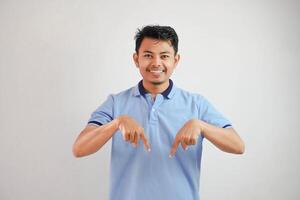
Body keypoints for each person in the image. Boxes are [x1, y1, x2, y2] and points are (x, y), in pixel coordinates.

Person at [72, 25, 245, 200]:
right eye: (148, 55)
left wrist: (201, 126)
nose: (156, 63)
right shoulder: (115, 103)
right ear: (136, 59)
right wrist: (116, 123)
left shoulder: (197, 104)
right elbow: (79, 149)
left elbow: (238, 145)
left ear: (175, 60)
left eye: (164, 56)